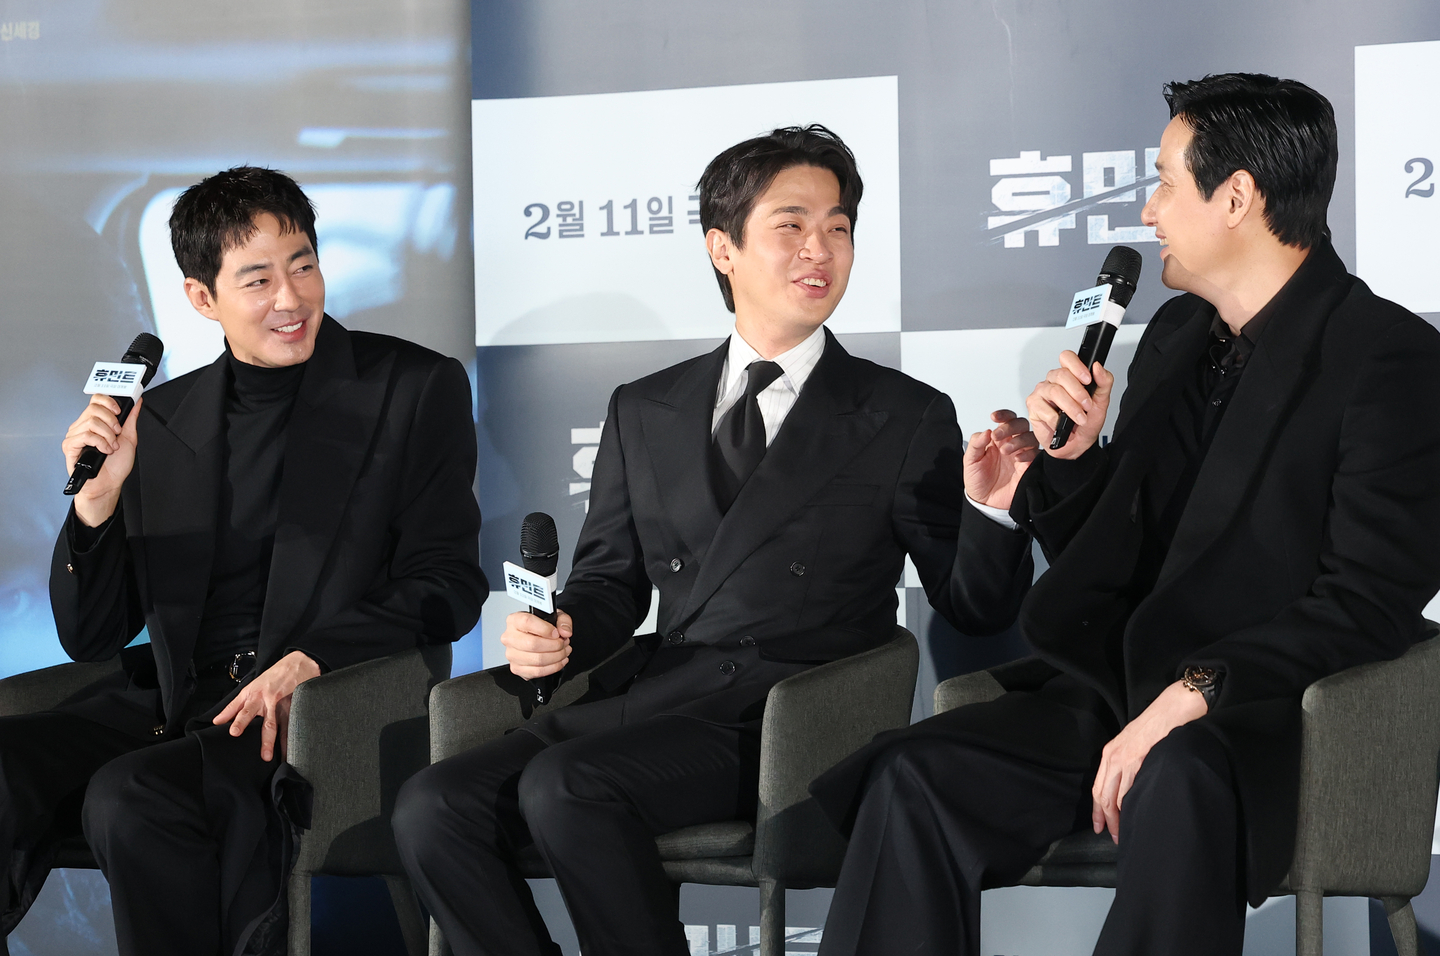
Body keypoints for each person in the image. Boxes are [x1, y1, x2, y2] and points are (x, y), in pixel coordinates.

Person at [810, 73, 1440, 956]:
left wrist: (1197, 692)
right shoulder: (1180, 336)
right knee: (919, 772)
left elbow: (1369, 602)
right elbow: (1128, 562)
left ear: (1236, 198)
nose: (1147, 213)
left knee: (1177, 778)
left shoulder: (1392, 359)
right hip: (1116, 691)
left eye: (1164, 184)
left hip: (1272, 716)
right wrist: (1070, 468)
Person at [392, 124, 1036, 956]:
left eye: (838, 228)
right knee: (430, 804)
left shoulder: (901, 413)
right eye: (791, 225)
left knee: (565, 785)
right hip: (655, 694)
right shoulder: (645, 406)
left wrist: (992, 512)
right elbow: (612, 584)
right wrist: (563, 633)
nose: (820, 249)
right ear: (722, 249)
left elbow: (974, 605)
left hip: (786, 719)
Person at [26, 166, 486, 956]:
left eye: (303, 265)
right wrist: (95, 504)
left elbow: (448, 584)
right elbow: (93, 636)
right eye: (258, 279)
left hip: (315, 709)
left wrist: (313, 660)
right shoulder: (162, 420)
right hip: (179, 703)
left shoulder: (410, 388)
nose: (291, 297)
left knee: (131, 794)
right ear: (201, 299)